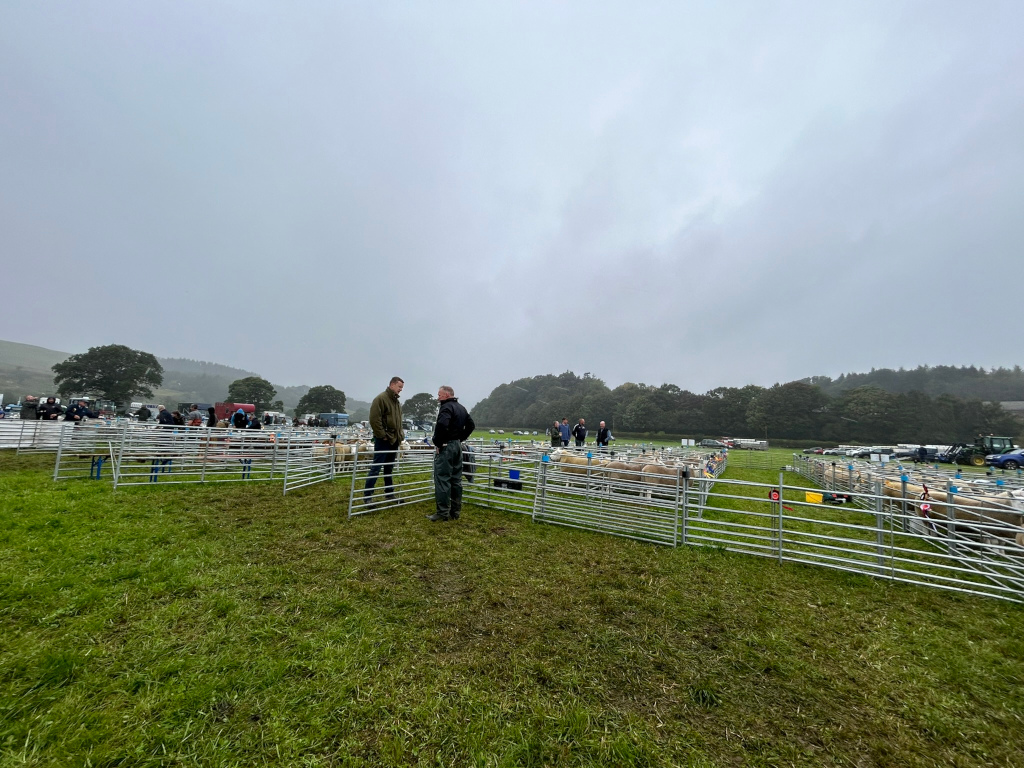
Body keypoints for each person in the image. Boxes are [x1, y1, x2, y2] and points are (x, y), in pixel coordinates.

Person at [429, 385, 475, 522]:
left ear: (447, 395)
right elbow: (471, 425)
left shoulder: (446, 407)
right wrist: (460, 438)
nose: (438, 398)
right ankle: (455, 512)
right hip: (457, 446)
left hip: (446, 446)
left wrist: (438, 442)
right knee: (456, 479)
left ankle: (442, 512)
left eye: (439, 395)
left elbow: (442, 425)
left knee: (442, 478)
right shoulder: (461, 408)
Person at [364, 376, 405, 506]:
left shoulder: (396, 402)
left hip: (394, 440)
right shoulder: (381, 399)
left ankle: (389, 493)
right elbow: (374, 419)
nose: (400, 390)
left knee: (389, 468)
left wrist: (400, 435)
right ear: (392, 385)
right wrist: (382, 436)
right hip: (384, 440)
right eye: (399, 387)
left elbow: (398, 421)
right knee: (376, 467)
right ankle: (368, 496)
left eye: (401, 388)